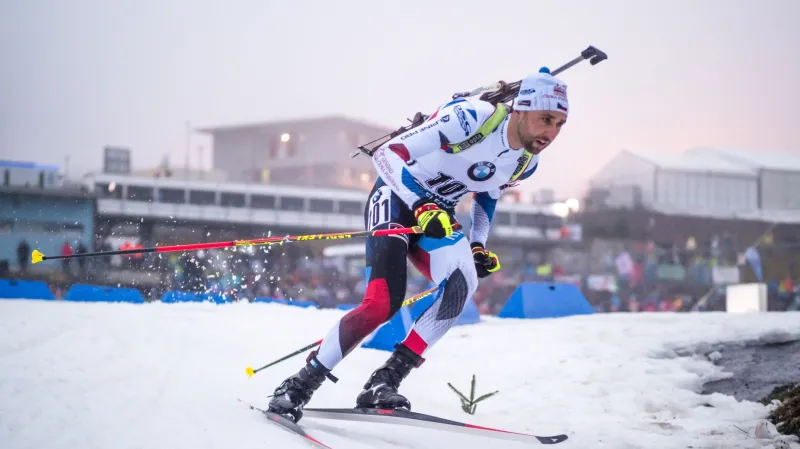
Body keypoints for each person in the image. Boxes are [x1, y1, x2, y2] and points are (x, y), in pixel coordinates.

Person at [268, 67, 571, 423]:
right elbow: (387, 154)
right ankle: (298, 386)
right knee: (383, 303)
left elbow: (487, 195)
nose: (551, 132)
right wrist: (420, 203)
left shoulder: (526, 162)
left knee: (462, 284)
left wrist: (477, 245)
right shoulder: (472, 117)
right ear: (520, 109)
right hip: (397, 197)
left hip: (435, 215)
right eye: (546, 119)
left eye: (560, 125)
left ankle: (384, 381)